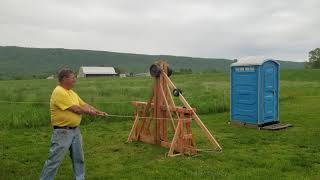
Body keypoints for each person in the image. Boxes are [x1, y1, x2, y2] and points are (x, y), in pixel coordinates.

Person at [40, 69, 107, 180]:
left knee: (78, 158)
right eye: (72, 77)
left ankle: (80, 178)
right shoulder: (59, 92)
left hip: (75, 131)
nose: (74, 80)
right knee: (54, 160)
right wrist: (90, 112)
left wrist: (99, 112)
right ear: (64, 79)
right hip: (62, 132)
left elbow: (84, 105)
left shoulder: (72, 93)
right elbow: (76, 109)